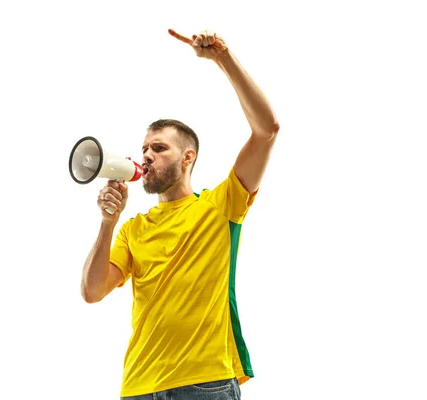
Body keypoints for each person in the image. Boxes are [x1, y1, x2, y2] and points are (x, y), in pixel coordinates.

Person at [80, 28, 280, 400]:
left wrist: (223, 58)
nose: (147, 156)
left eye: (159, 148)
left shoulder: (220, 206)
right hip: (139, 386)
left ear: (188, 157)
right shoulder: (133, 230)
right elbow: (92, 292)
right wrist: (108, 223)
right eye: (144, 148)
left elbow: (266, 131)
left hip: (204, 385)